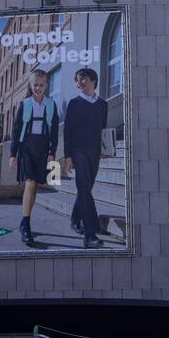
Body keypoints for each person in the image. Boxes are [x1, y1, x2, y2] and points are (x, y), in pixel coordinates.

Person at [9, 68, 59, 244]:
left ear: (46, 86)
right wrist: (12, 153)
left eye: (41, 85)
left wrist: (52, 152)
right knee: (30, 182)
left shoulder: (51, 104)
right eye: (35, 84)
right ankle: (26, 225)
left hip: (43, 148)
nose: (38, 87)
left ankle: (25, 219)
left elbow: (54, 130)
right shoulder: (26, 104)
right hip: (27, 147)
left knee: (35, 185)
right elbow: (16, 129)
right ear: (31, 85)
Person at [62, 67, 108, 249]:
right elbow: (67, 132)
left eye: (82, 79)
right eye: (77, 80)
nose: (79, 83)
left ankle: (75, 219)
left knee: (86, 188)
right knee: (83, 187)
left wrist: (105, 149)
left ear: (93, 80)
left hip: (94, 152)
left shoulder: (102, 104)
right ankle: (90, 234)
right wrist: (67, 156)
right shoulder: (74, 103)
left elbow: (103, 129)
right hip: (78, 151)